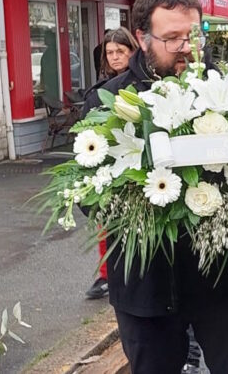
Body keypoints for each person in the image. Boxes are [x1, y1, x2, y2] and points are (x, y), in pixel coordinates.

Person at [83, 0, 228, 374]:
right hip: (147, 289)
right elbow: (88, 196)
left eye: (193, 35)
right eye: (173, 38)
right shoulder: (107, 101)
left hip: (224, 283)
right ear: (143, 38)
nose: (187, 46)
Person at [83, 27, 138, 301]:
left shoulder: (140, 82)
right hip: (108, 162)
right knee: (106, 223)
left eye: (121, 51)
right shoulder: (101, 89)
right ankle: (107, 274)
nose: (115, 57)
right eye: (110, 53)